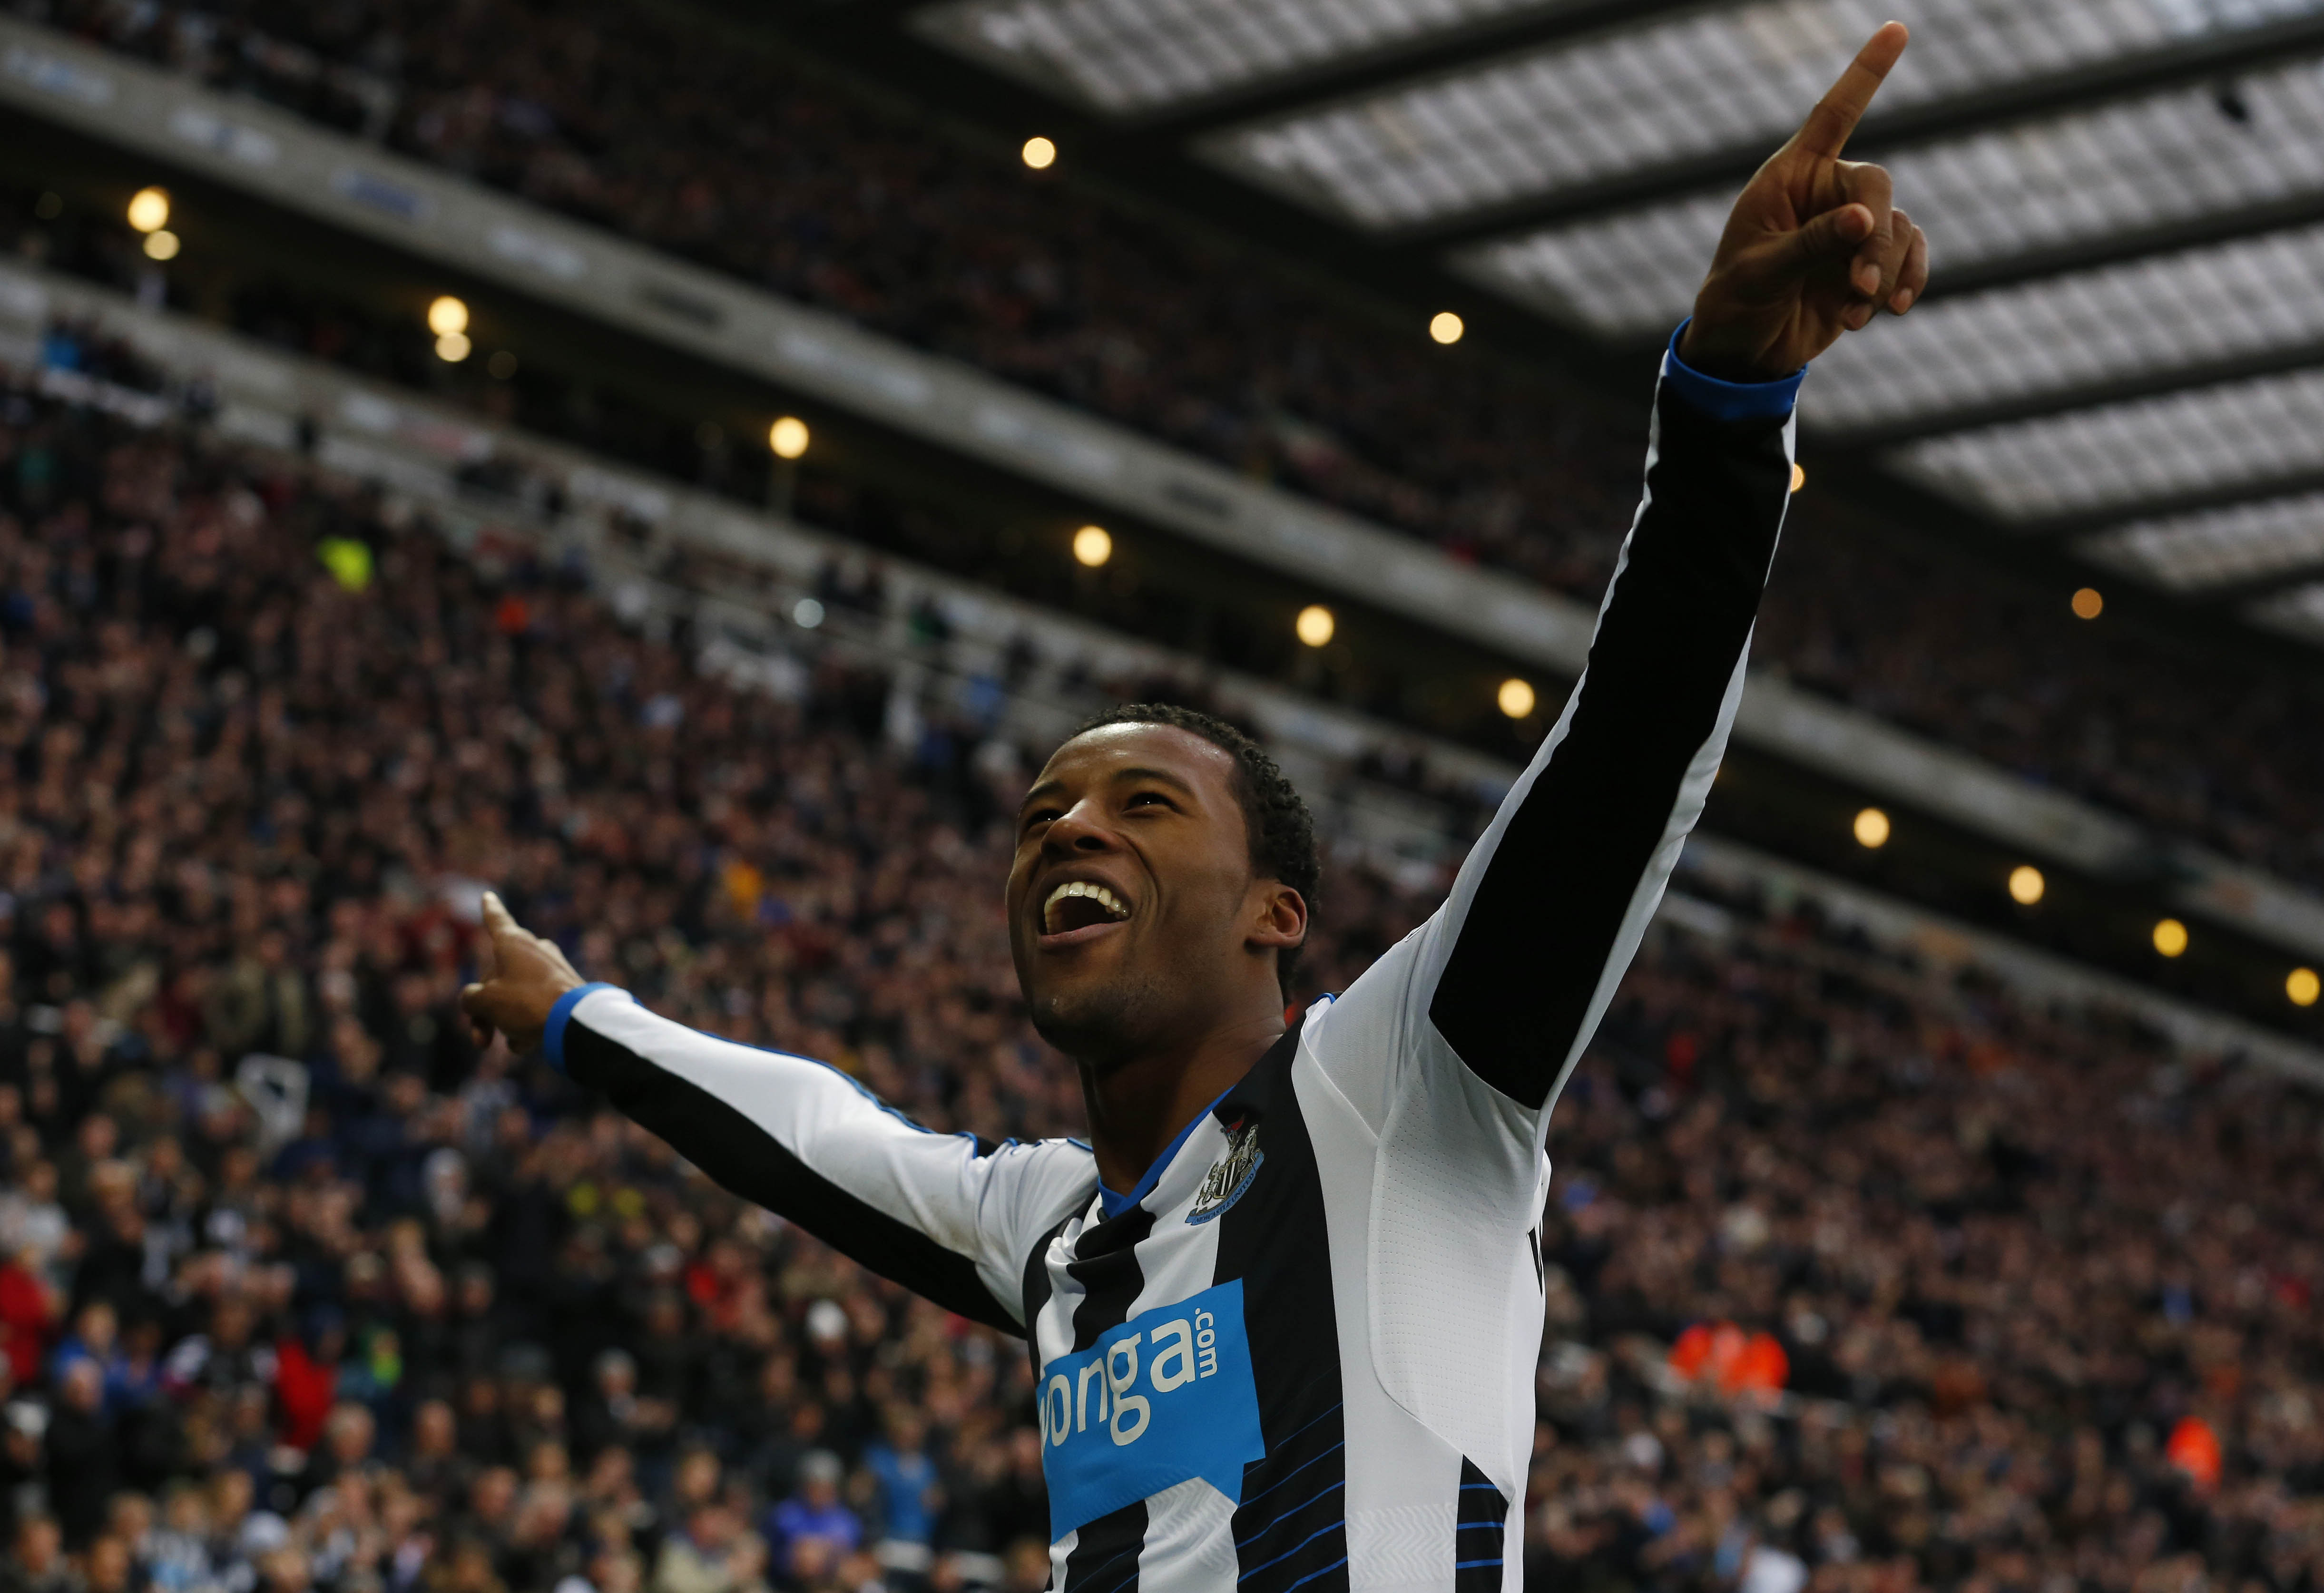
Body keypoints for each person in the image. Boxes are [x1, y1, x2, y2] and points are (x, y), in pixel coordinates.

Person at [461, 24, 1931, 1592]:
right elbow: (817, 1140)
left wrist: (1726, 407)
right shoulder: (1050, 1228)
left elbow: (1624, 758)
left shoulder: (1396, 1089)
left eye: (1144, 803)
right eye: (1043, 812)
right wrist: (573, 1018)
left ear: (1273, 914)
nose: (1068, 829)